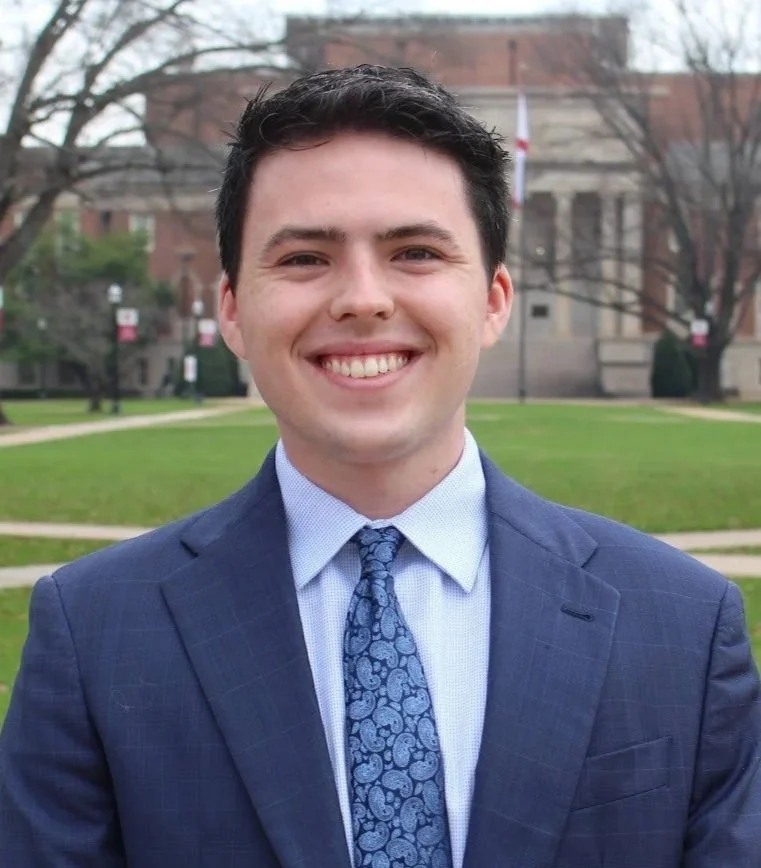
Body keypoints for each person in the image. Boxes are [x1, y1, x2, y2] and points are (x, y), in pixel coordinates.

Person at [1, 65, 759, 868]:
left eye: (416, 251)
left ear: (495, 298)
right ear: (230, 307)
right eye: (302, 258)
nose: (362, 299)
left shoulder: (681, 625)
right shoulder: (95, 634)